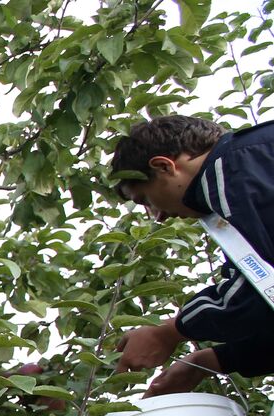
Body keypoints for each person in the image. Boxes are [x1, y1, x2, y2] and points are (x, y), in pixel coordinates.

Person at [112, 115, 274, 396]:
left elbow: (262, 289)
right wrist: (211, 360)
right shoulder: (254, 159)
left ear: (164, 166)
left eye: (146, 200)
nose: (158, 216)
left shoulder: (228, 171)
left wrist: (169, 331)